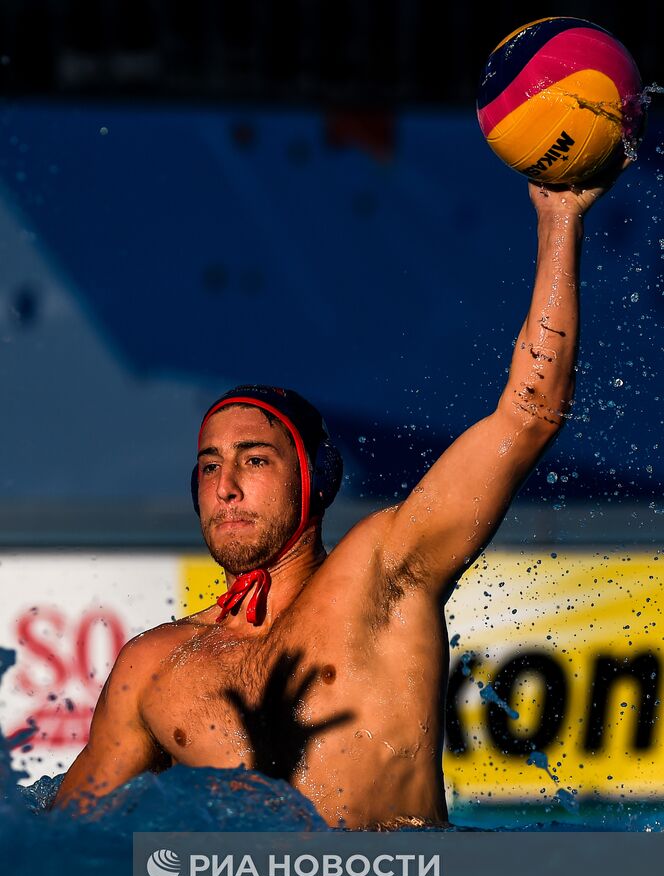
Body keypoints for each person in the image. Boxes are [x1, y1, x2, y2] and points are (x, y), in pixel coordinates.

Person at [52, 156, 629, 828]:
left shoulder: (381, 569)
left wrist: (560, 218)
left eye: (254, 459)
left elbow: (529, 415)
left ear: (316, 482)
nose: (226, 486)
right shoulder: (151, 667)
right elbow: (60, 844)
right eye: (208, 466)